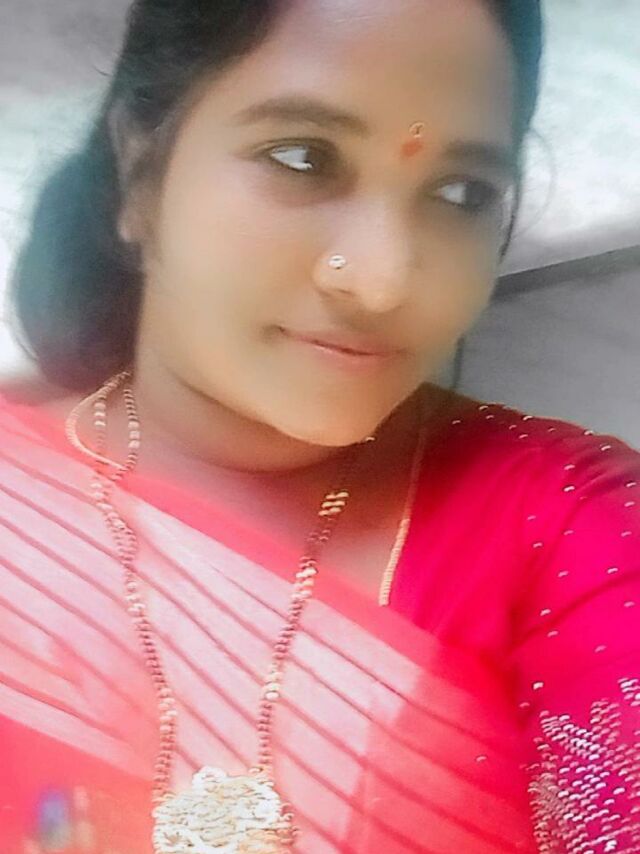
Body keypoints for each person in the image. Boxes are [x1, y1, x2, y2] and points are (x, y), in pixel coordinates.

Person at [1, 0, 639, 851]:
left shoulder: (574, 528)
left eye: (462, 193)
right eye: (303, 158)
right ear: (139, 171)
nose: (380, 281)